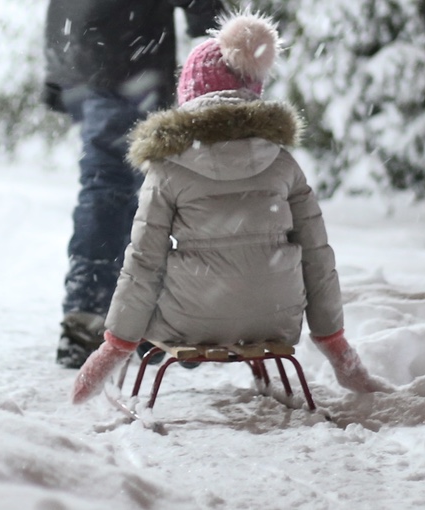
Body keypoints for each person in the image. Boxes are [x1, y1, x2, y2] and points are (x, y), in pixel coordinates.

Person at [71, 11, 393, 404]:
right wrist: (335, 345)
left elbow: (144, 261)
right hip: (275, 320)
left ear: (189, 94)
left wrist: (116, 346)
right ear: (253, 88)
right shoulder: (282, 162)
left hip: (189, 323)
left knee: (157, 269)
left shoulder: (167, 169)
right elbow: (318, 258)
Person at [42, 0, 225, 368]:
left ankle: (93, 314)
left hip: (89, 60)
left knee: (107, 184)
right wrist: (216, 31)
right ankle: (138, 320)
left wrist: (58, 71)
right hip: (138, 57)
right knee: (148, 190)